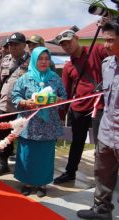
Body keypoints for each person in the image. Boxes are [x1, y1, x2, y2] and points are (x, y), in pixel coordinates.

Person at [76, 21, 119, 220]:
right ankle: (101, 211)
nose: (106, 45)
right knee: (102, 175)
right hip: (106, 132)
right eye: (104, 40)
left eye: (111, 40)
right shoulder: (107, 64)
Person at [53, 29, 108, 185]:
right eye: (63, 44)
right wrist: (61, 115)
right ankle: (70, 173)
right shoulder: (68, 66)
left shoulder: (96, 50)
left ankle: (103, 179)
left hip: (100, 105)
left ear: (77, 38)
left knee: (101, 145)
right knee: (77, 142)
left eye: (68, 42)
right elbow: (65, 93)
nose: (66, 46)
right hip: (78, 108)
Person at [11, 47, 67, 197]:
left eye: (46, 58)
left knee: (45, 156)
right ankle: (27, 183)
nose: (44, 61)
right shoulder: (25, 78)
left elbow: (64, 97)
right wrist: (25, 102)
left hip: (49, 126)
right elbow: (15, 96)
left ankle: (42, 184)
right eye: (40, 58)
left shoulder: (55, 78)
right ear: (34, 60)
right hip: (29, 125)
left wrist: (58, 100)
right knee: (27, 154)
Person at [0, 32, 30, 176]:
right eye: (10, 45)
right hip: (4, 106)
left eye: (16, 44)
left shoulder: (31, 62)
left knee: (24, 137)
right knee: (3, 136)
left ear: (24, 45)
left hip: (23, 108)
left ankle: (24, 165)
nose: (12, 47)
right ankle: (3, 163)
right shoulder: (4, 61)